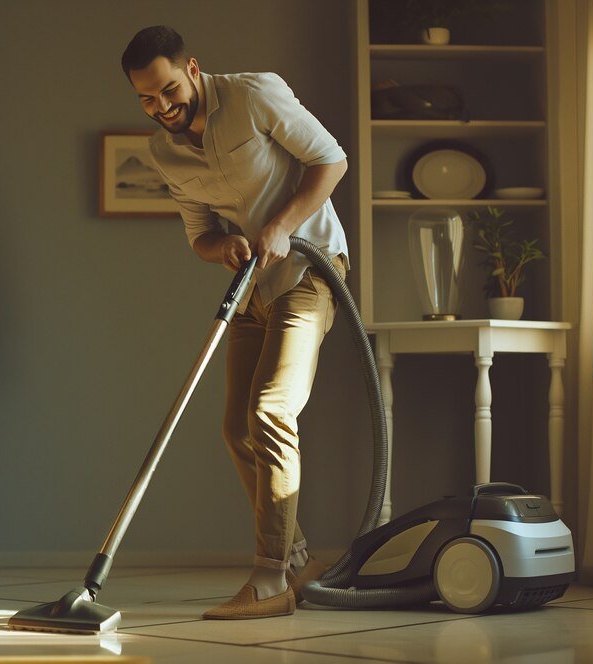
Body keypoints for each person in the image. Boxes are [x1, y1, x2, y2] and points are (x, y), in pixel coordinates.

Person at [121, 25, 349, 620]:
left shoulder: (255, 95)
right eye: (146, 99)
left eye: (169, 89)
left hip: (310, 270)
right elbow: (199, 235)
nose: (162, 107)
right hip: (250, 287)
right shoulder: (163, 150)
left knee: (272, 409)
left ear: (192, 68)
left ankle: (270, 578)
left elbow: (330, 159)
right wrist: (222, 246)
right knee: (236, 428)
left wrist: (282, 224)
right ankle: (298, 561)